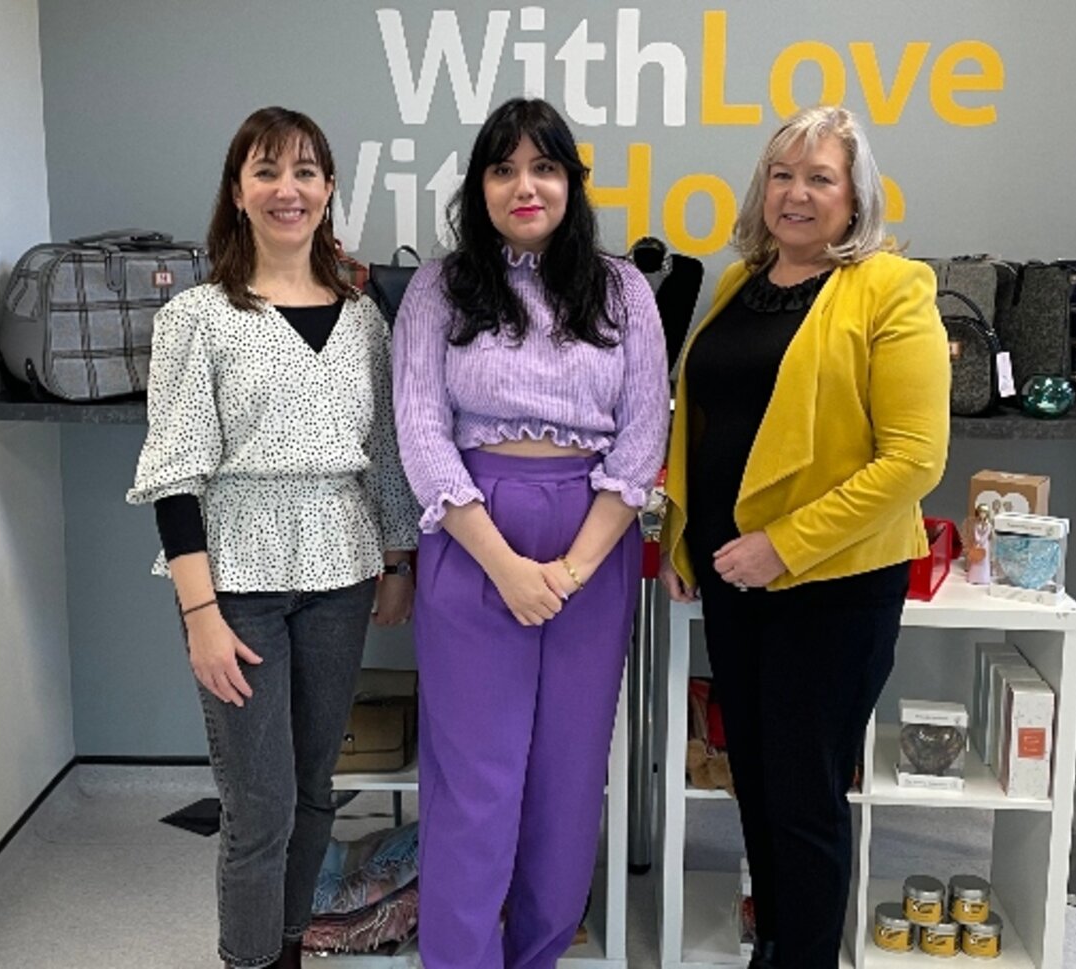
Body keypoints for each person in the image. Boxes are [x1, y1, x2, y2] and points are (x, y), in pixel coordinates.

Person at [658, 105, 951, 968]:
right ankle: (776, 946)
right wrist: (685, 540)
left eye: (820, 178)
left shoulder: (893, 288)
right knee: (755, 781)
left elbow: (914, 458)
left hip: (829, 588)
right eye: (782, 175)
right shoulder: (737, 282)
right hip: (734, 581)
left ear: (855, 198)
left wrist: (784, 544)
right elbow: (706, 422)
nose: (797, 194)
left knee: (805, 798)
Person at [126, 107, 418, 969]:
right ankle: (249, 960)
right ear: (238, 191)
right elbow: (173, 473)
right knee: (261, 807)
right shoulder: (199, 316)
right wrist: (200, 615)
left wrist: (396, 560)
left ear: (329, 190)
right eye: (266, 171)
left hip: (341, 570)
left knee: (316, 793)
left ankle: (291, 948)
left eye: (304, 172)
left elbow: (386, 455)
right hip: (237, 579)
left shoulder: (364, 317)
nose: (286, 190)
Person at [392, 97, 669, 969]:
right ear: (479, 186)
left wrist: (577, 565)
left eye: (543, 167)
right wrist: (508, 565)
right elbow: (420, 429)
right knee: (475, 786)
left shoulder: (622, 288)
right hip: (474, 532)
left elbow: (642, 437)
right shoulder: (442, 287)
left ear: (570, 183)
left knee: (567, 781)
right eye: (504, 168)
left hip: (594, 533)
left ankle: (538, 957)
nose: (524, 186)